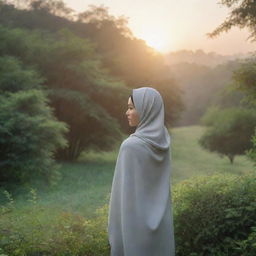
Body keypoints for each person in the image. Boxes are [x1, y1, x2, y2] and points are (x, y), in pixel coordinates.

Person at [107, 87, 175, 256]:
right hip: (161, 225)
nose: (126, 112)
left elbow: (122, 195)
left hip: (135, 229)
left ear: (146, 110)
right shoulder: (163, 140)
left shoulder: (131, 146)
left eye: (131, 107)